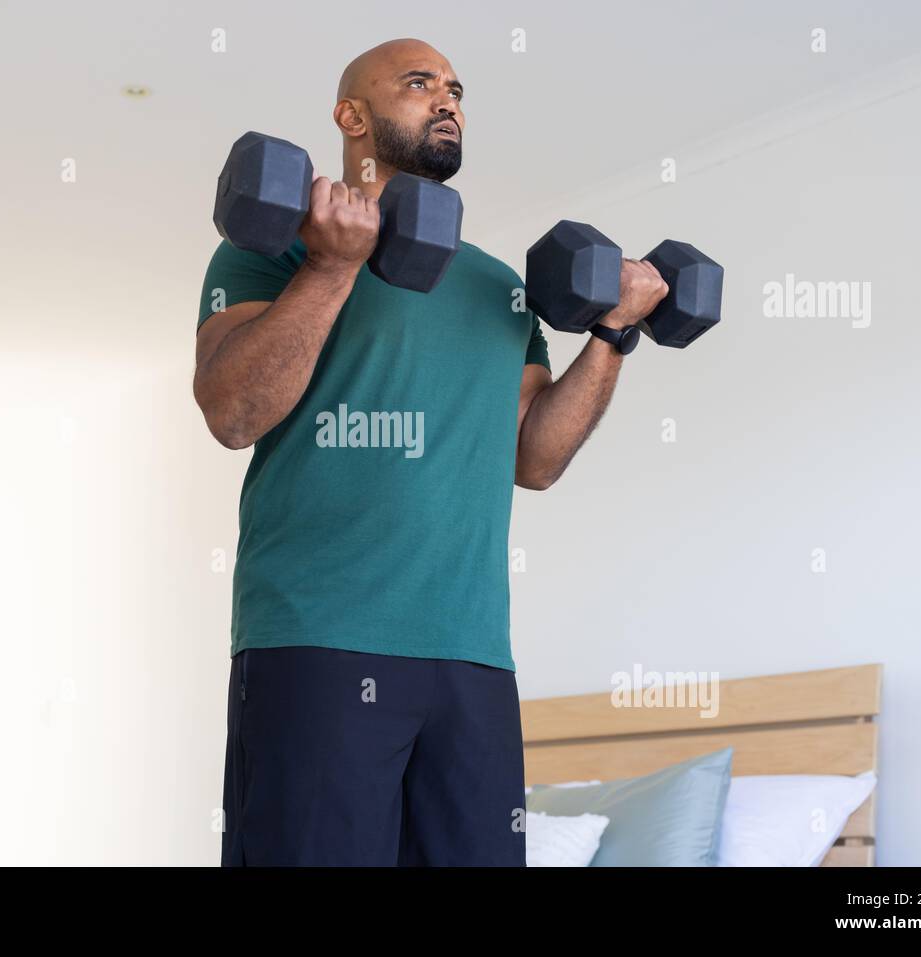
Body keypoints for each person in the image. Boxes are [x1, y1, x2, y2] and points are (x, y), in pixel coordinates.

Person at [194, 37, 667, 866]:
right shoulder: (270, 246)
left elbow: (536, 458)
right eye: (419, 84)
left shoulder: (498, 286)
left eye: (455, 88)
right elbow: (234, 411)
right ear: (351, 114)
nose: (446, 99)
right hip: (319, 634)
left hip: (472, 652)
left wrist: (612, 333)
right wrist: (334, 268)